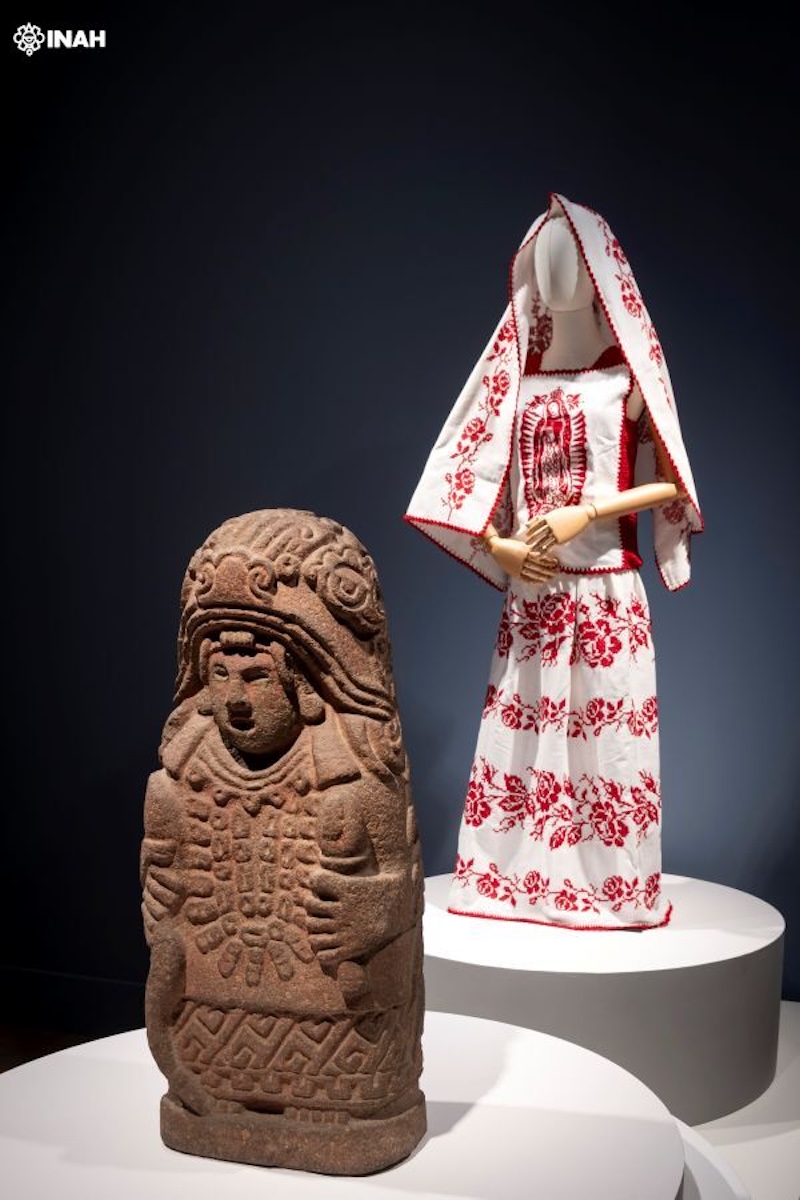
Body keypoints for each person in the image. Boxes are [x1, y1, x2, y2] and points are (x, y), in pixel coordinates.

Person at [405, 194, 703, 930]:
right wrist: (499, 544)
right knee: (524, 740)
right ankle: (515, 880)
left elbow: (674, 481)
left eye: (570, 257)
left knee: (609, 748)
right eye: (545, 258)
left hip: (605, 596)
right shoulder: (517, 379)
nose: (556, 272)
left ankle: (613, 888)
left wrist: (589, 512)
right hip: (534, 600)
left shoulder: (626, 379)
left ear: (601, 268)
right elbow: (484, 478)